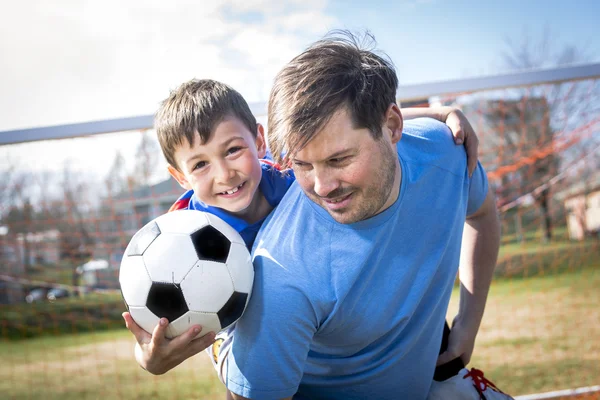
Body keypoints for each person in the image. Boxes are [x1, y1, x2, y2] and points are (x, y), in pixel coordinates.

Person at [121, 61, 499, 397]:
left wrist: (438, 112)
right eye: (199, 165)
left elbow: (342, 120)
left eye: (233, 151)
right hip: (235, 331)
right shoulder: (177, 236)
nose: (224, 174)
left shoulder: (286, 172)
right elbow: (153, 314)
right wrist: (149, 359)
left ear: (259, 141)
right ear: (178, 177)